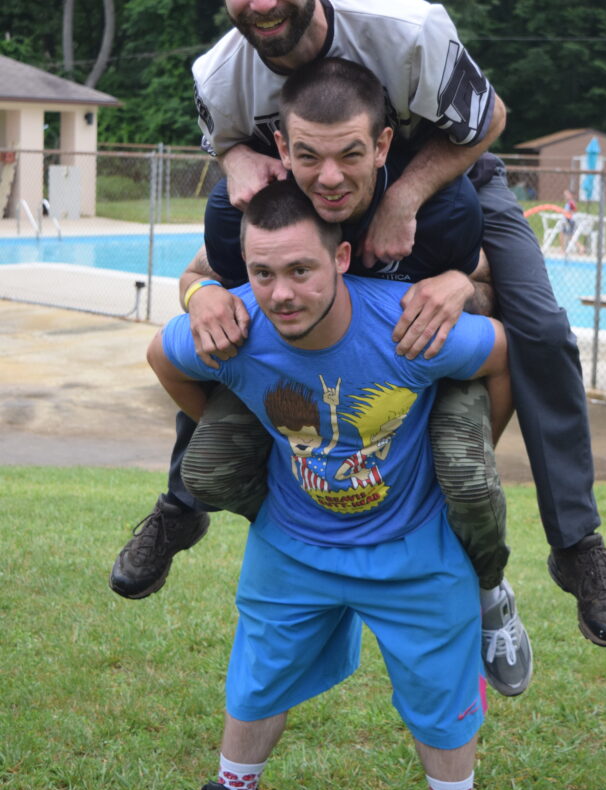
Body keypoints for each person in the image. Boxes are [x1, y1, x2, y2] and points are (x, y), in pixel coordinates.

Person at [112, 0, 606, 649]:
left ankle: (575, 544)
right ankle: (180, 503)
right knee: (231, 306)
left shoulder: (405, 30)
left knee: (541, 325)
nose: (260, 0)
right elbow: (224, 144)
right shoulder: (218, 74)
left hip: (445, 176)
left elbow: (487, 120)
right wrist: (231, 161)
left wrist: (408, 197)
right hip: (308, 185)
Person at [113, 56, 532, 697]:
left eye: (348, 157)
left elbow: (495, 293)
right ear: (285, 148)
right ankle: (292, 541)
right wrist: (200, 297)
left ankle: (487, 588)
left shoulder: (437, 209)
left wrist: (457, 283)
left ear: (380, 148)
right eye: (311, 157)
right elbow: (200, 274)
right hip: (306, 377)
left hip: (416, 367)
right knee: (209, 468)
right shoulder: (272, 204)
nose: (329, 178)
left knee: (466, 473)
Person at [148, 179, 514, 790]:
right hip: (292, 543)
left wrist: (481, 449)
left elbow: (501, 354)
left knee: (443, 700)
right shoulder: (235, 328)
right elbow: (163, 356)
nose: (281, 294)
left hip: (415, 548)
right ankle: (234, 784)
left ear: (341, 259)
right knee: (256, 679)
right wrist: (251, 418)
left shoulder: (406, 327)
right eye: (262, 274)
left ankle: (489, 601)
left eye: (300, 270)